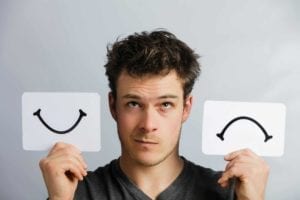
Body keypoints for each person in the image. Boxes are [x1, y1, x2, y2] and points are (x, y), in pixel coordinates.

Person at [39, 30, 270, 200]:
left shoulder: (232, 191)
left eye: (166, 105)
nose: (148, 125)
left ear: (186, 108)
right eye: (133, 104)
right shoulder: (73, 191)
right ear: (113, 106)